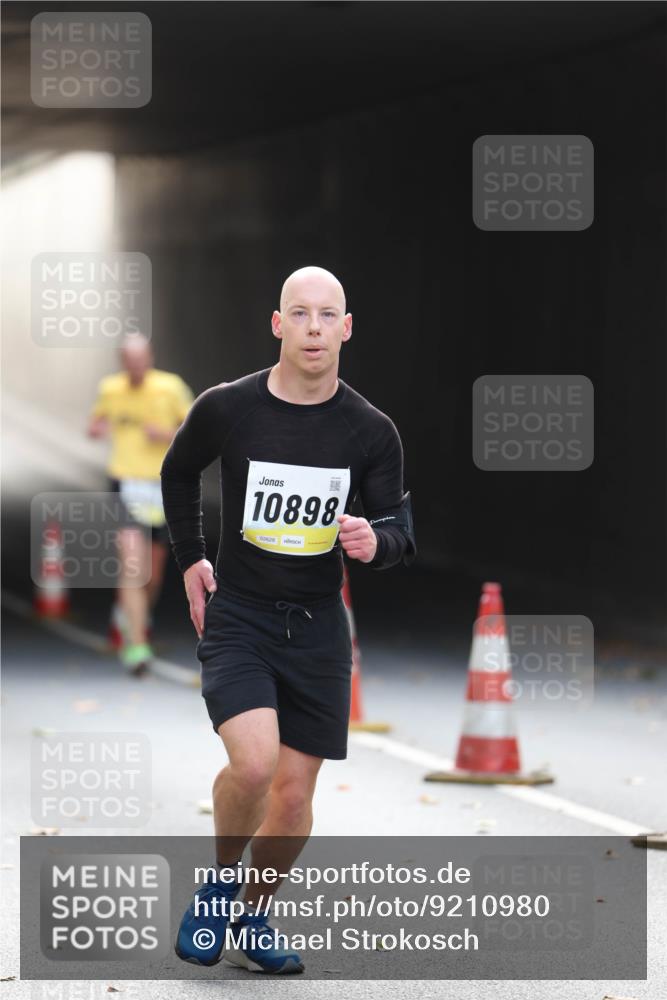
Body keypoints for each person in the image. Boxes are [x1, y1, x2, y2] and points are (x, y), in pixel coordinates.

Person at [161, 266, 415, 973]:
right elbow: (179, 472)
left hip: (317, 628)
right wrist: (189, 559)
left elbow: (399, 525)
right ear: (277, 324)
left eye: (325, 315)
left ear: (345, 327)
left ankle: (253, 916)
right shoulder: (228, 407)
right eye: (298, 314)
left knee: (295, 793)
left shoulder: (370, 431)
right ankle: (217, 888)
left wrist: (377, 541)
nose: (312, 327)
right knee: (253, 765)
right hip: (239, 614)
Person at [88, 333, 193, 675]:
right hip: (125, 483)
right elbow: (97, 420)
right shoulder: (111, 389)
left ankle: (132, 616)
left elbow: (194, 430)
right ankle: (136, 645)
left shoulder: (170, 387)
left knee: (154, 571)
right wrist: (97, 427)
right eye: (128, 361)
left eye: (140, 360)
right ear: (122, 362)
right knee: (132, 565)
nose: (135, 367)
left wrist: (165, 435)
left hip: (160, 485)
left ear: (150, 357)